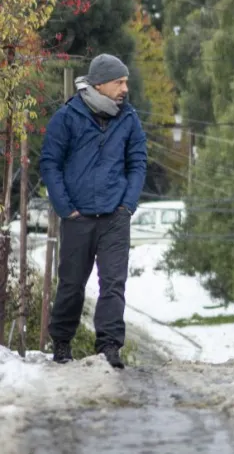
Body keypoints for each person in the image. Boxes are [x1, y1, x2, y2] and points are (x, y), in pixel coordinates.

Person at [39, 54, 147, 369]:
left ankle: (109, 348)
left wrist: (128, 205)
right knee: (72, 283)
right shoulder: (68, 116)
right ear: (100, 83)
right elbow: (50, 162)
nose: (125, 88)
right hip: (78, 217)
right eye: (119, 82)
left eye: (126, 81)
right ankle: (61, 344)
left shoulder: (129, 119)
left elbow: (138, 163)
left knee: (113, 283)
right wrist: (65, 208)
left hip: (115, 216)